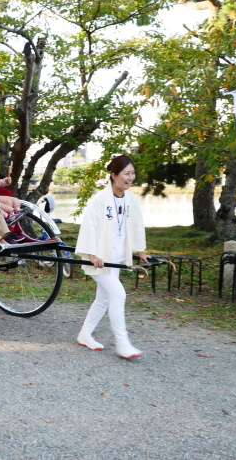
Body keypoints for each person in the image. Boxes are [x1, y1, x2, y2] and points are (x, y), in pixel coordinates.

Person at [75, 154, 149, 359]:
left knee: (104, 298)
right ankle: (122, 343)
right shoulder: (99, 199)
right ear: (114, 175)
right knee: (118, 295)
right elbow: (89, 227)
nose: (131, 177)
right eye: (127, 173)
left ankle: (85, 334)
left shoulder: (131, 199)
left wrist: (140, 250)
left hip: (116, 257)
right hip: (98, 258)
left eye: (133, 173)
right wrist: (91, 253)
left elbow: (136, 224)